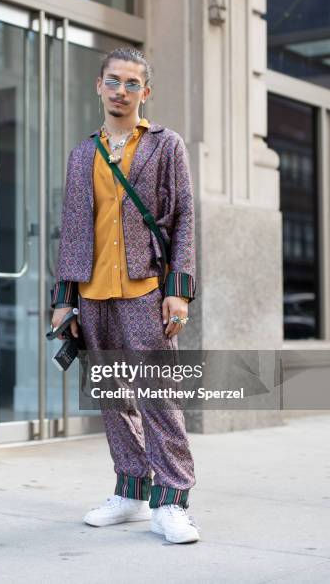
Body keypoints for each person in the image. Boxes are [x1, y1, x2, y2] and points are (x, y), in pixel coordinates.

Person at [50, 47, 200, 544]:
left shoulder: (165, 145)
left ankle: (173, 501)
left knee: (158, 397)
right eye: (113, 81)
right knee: (115, 399)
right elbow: (73, 229)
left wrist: (178, 291)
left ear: (146, 92)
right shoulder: (82, 153)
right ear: (99, 85)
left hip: (144, 289)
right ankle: (132, 490)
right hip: (93, 294)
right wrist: (64, 299)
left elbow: (182, 220)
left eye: (132, 84)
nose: (121, 91)